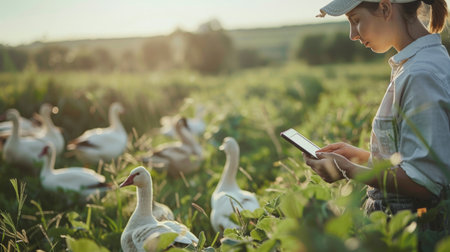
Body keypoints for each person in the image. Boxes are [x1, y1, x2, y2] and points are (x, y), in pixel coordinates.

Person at [304, 0, 450, 217]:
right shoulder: (419, 63)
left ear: (385, 8)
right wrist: (361, 157)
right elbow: (417, 159)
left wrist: (348, 169)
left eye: (356, 20)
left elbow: (425, 183)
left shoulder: (420, 75)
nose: (352, 34)